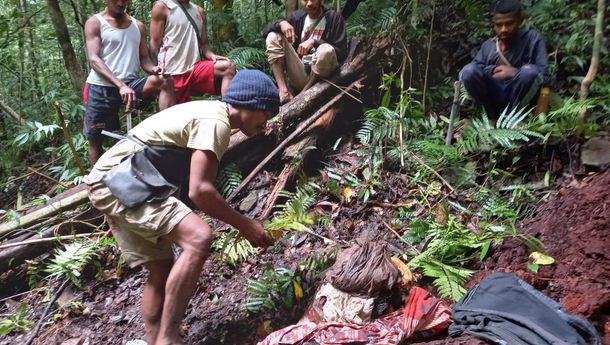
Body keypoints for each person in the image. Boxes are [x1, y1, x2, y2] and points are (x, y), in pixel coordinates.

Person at [84, 70, 278, 345]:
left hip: (112, 180)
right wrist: (246, 225)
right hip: (120, 181)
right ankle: (168, 338)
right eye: (266, 113)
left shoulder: (211, 113)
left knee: (161, 268)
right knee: (199, 238)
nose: (266, 122)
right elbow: (200, 191)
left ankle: (155, 341)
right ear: (252, 104)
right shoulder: (216, 122)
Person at [84, 0, 174, 165]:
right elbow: (94, 59)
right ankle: (96, 184)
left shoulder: (138, 26)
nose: (121, 2)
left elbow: (144, 59)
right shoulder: (95, 22)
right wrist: (120, 85)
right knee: (96, 139)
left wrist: (154, 69)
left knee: (164, 81)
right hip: (101, 88)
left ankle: (170, 134)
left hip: (130, 84)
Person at [459, 0, 548, 118]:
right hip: (492, 96)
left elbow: (544, 75)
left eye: (509, 23)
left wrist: (514, 72)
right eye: (499, 25)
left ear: (520, 20)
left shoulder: (532, 39)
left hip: (519, 97)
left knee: (529, 72)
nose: (503, 29)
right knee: (468, 71)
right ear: (493, 24)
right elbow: (468, 74)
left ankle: (514, 119)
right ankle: (491, 118)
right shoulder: (488, 46)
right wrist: (492, 70)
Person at [150, 0, 236, 103]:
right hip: (172, 73)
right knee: (173, 115)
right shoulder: (163, 6)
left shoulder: (199, 11)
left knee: (228, 67)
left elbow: (204, 44)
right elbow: (155, 42)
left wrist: (211, 55)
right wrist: (156, 67)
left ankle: (228, 112)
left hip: (195, 69)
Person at [264, 0, 347, 104]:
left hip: (324, 76)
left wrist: (314, 42)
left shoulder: (334, 18)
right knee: (272, 36)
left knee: (326, 49)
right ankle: (284, 92)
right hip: (302, 71)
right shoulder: (297, 17)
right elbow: (266, 31)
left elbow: (342, 52)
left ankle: (304, 93)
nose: (309, 4)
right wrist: (281, 23)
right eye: (305, 0)